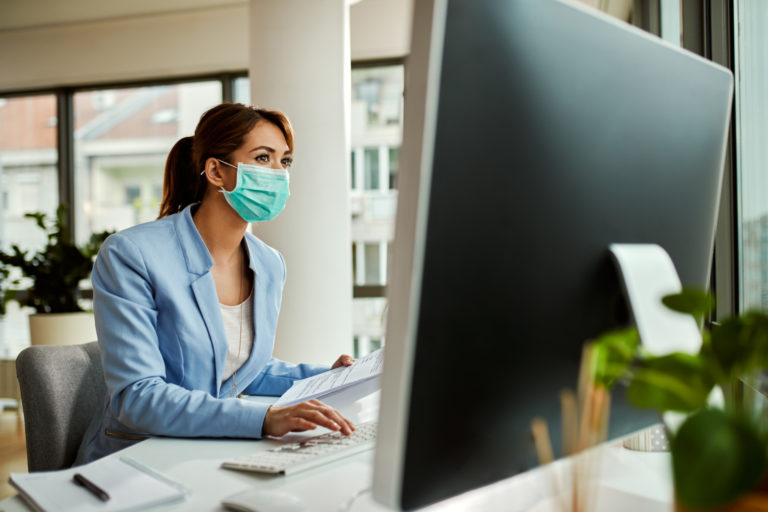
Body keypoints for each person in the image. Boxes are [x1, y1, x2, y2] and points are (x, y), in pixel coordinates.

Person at [76, 103, 355, 464]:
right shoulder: (132, 254)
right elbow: (138, 397)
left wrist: (330, 379)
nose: (278, 173)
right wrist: (265, 419)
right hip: (136, 457)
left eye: (284, 161)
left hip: (208, 448)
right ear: (216, 172)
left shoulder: (269, 263)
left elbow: (242, 372)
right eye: (262, 158)